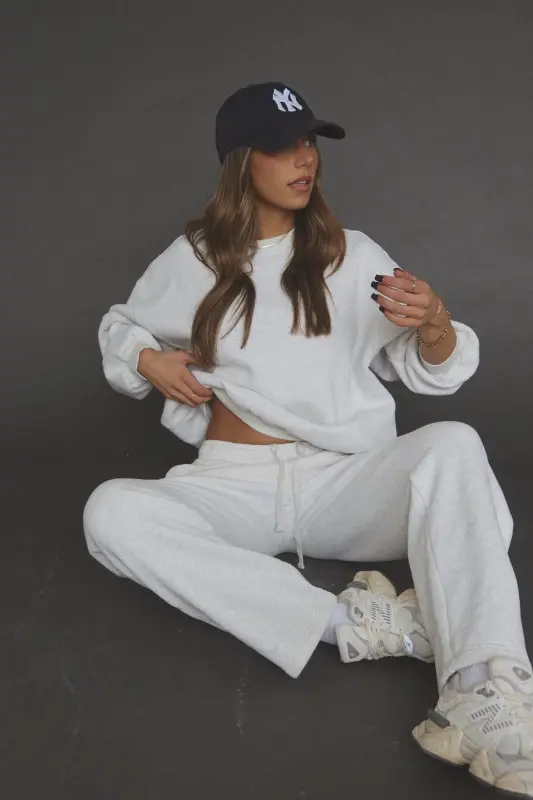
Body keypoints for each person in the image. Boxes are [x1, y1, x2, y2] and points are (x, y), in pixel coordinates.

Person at [83, 82, 533, 796]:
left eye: (309, 143)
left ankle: (485, 693)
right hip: (231, 483)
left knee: (453, 443)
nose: (304, 159)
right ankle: (349, 622)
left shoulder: (352, 256)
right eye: (282, 146)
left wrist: (436, 324)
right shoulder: (194, 257)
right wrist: (146, 358)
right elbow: (120, 325)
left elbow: (429, 370)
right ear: (241, 160)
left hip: (340, 482)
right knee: (111, 512)